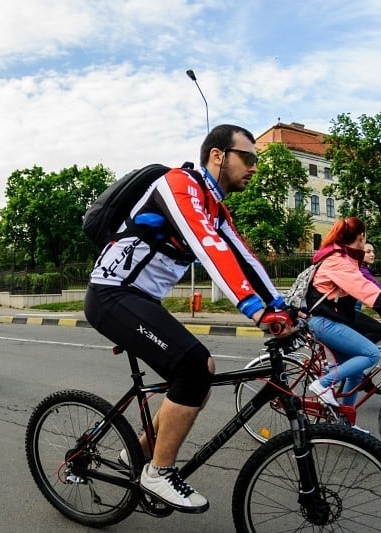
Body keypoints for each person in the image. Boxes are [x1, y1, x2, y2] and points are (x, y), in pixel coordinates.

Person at [84, 124, 293, 513]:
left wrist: (283, 305)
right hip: (112, 294)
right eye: (247, 158)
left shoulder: (216, 207)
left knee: (203, 373)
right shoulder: (177, 184)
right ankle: (159, 472)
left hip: (139, 301)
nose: (254, 167)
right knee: (194, 367)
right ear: (218, 155)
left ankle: (139, 455)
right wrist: (256, 310)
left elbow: (243, 257)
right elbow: (208, 245)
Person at [305, 218, 381, 409]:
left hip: (331, 320)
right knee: (371, 354)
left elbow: (372, 289)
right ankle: (322, 385)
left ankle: (346, 421)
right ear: (361, 236)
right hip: (324, 323)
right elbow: (368, 292)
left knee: (356, 372)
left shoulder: (344, 258)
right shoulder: (339, 261)